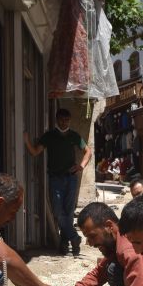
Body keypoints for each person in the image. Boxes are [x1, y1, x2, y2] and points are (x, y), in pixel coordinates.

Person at [62, 202, 143, 286]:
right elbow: (98, 274)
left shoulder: (130, 251)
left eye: (92, 236)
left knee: (113, 269)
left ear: (109, 226)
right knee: (111, 267)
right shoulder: (118, 241)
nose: (90, 243)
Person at [24, 108, 92, 256]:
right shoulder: (50, 136)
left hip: (71, 178)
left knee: (68, 212)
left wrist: (81, 166)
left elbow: (88, 151)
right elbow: (35, 152)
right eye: (61, 120)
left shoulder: (74, 136)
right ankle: (74, 238)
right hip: (55, 178)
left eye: (66, 120)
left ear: (70, 120)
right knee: (58, 211)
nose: (64, 122)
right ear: (56, 120)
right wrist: (26, 141)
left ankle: (65, 242)